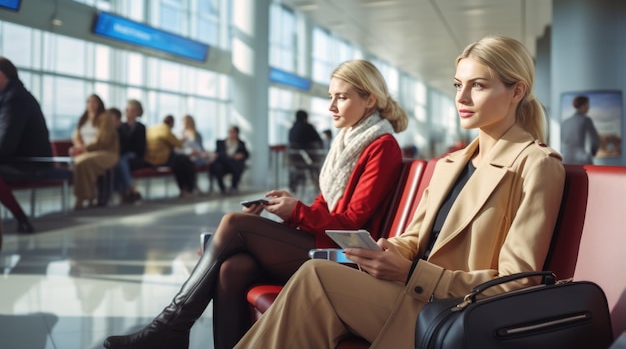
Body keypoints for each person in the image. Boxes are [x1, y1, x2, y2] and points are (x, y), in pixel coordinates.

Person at [233, 35, 566, 349]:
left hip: (454, 313)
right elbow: (415, 237)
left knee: (316, 278)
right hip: (413, 295)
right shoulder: (450, 164)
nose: (461, 98)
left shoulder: (536, 165)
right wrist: (386, 251)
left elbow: (518, 282)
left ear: (516, 91)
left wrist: (411, 273)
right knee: (310, 286)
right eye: (457, 85)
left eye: (478, 85)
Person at [103, 59, 410, 349]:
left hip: (346, 254)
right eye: (330, 97)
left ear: (369, 100)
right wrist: (293, 206)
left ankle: (170, 327)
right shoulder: (348, 140)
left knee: (234, 224)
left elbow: (351, 221)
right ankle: (182, 333)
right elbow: (328, 203)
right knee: (233, 268)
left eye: (341, 97)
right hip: (328, 240)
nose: (331, 106)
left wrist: (298, 212)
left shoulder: (382, 147)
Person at [0, 57, 58, 231]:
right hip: (19, 160)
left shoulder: (15, 99)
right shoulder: (10, 96)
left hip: (30, 164)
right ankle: (21, 219)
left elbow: (5, 144)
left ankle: (22, 219)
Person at [70, 94, 119, 210]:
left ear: (99, 104)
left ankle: (81, 198)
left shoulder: (105, 117)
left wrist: (84, 148)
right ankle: (88, 197)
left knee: (83, 162)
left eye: (94, 102)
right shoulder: (84, 118)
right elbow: (76, 135)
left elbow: (103, 139)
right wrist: (78, 145)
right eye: (88, 102)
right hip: (87, 153)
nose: (91, 105)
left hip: (106, 152)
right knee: (80, 162)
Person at [145, 115, 196, 198]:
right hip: (161, 159)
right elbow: (178, 144)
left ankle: (188, 188)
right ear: (172, 124)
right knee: (182, 161)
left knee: (181, 160)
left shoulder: (153, 128)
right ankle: (189, 188)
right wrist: (183, 139)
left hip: (149, 158)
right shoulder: (166, 130)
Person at [287, 109, 324, 192]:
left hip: (295, 162)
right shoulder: (308, 127)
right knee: (316, 167)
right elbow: (319, 141)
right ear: (306, 118)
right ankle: (318, 185)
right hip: (309, 160)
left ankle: (294, 186)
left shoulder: (292, 129)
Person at [561, 95, 600, 164]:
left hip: (566, 160)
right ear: (583, 105)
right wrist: (593, 152)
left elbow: (562, 141)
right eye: (587, 104)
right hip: (582, 161)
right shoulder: (586, 120)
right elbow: (594, 140)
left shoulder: (565, 122)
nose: (588, 107)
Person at [210, 125, 249, 194]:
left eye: (233, 132)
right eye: (229, 132)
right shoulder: (220, 143)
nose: (231, 134)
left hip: (234, 164)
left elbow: (246, 154)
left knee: (239, 165)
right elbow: (218, 154)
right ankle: (222, 188)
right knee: (218, 166)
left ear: (237, 133)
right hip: (223, 163)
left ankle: (234, 186)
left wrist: (241, 155)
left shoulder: (241, 143)